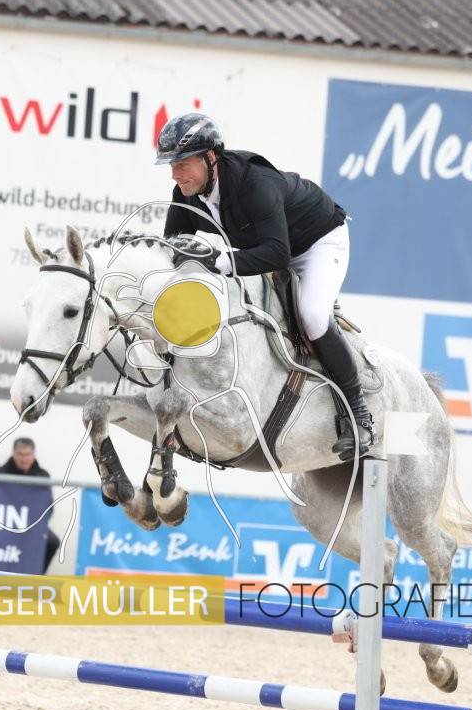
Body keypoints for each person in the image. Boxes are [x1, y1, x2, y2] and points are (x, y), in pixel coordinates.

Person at [156, 112, 372, 460]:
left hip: (317, 243)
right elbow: (171, 251)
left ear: (210, 157)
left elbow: (276, 254)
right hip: (270, 245)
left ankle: (358, 414)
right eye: (171, 165)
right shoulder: (186, 193)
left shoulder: (254, 183)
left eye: (182, 164)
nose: (175, 174)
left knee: (312, 315)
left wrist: (219, 261)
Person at [0, 437, 61, 570]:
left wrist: (37, 525)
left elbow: (48, 507)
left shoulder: (42, 476)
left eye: (27, 455)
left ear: (33, 454)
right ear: (13, 454)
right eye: (20, 454)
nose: (24, 459)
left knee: (52, 542)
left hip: (32, 525)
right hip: (3, 525)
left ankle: (36, 577)